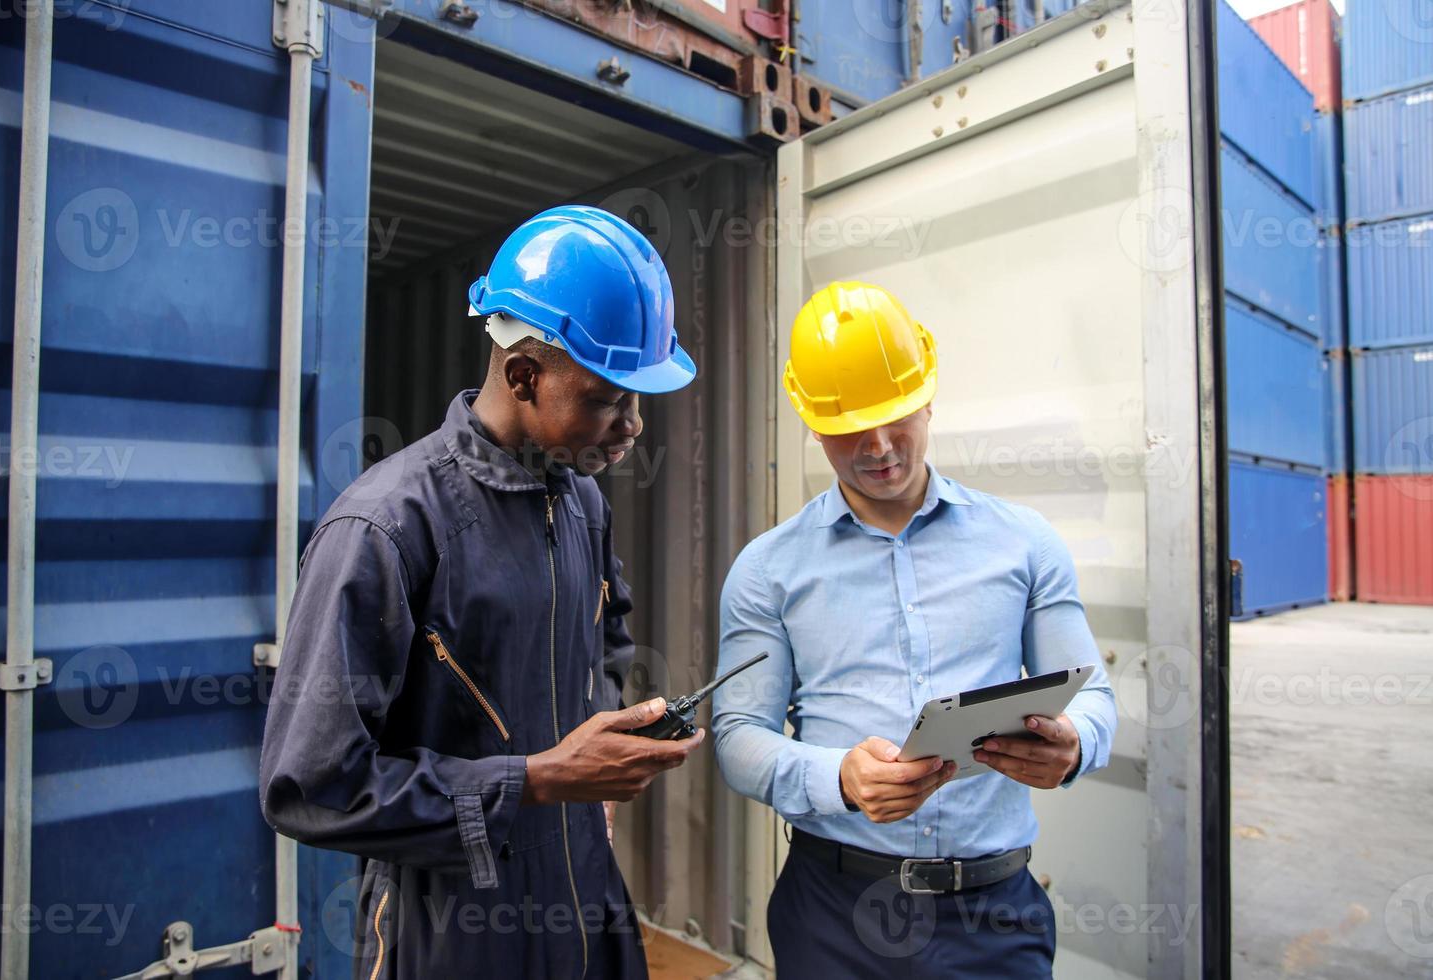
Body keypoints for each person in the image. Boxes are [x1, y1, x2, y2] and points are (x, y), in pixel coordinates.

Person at [260, 206, 703, 979]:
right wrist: (533, 781)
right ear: (524, 373)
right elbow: (310, 787)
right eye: (606, 398)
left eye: (640, 399)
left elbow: (605, 639)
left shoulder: (579, 500)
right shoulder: (386, 527)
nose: (632, 426)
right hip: (455, 933)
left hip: (584, 897)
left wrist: (611, 741)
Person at [711, 281, 1118, 978]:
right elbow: (737, 737)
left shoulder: (1024, 543)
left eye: (896, 416)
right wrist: (836, 775)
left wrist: (1075, 745)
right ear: (810, 421)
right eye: (848, 428)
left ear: (928, 395)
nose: (878, 447)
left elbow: (1094, 695)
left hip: (993, 918)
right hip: (834, 914)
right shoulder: (767, 570)